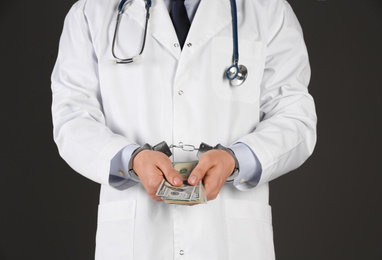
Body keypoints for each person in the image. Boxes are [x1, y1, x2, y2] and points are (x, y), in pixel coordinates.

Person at [51, 0, 317, 259]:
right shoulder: (91, 11)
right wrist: (130, 160)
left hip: (227, 239)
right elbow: (72, 117)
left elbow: (295, 117)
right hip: (138, 240)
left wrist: (236, 161)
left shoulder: (268, 10)